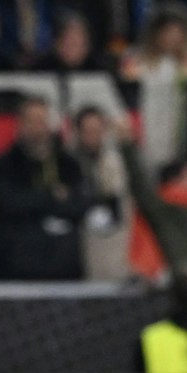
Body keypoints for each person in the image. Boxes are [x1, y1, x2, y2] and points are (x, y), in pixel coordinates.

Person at [0, 96, 91, 280]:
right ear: (20, 124)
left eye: (42, 120)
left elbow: (80, 205)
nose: (38, 127)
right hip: (18, 267)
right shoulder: (3, 165)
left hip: (64, 267)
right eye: (32, 121)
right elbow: (10, 204)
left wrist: (36, 201)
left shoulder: (68, 164)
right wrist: (52, 195)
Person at [73, 106, 134, 281]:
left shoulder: (116, 162)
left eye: (97, 130)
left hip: (114, 242)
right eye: (87, 131)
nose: (93, 136)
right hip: (81, 242)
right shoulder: (69, 163)